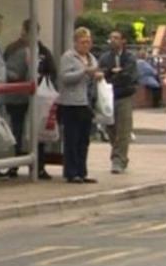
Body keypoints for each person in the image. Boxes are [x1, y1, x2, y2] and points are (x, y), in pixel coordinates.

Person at [3, 20, 56, 180]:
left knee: (38, 132)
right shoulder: (13, 49)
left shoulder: (43, 51)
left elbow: (52, 72)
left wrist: (44, 84)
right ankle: (14, 166)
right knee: (16, 132)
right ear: (23, 31)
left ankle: (39, 167)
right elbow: (5, 70)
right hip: (17, 98)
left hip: (37, 99)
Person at [58, 27, 103, 184]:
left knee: (84, 139)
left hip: (87, 102)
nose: (86, 45)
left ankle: (82, 171)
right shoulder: (69, 57)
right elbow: (64, 77)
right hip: (71, 103)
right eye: (83, 42)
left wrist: (96, 76)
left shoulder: (91, 58)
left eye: (88, 41)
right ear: (76, 42)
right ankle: (71, 172)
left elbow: (94, 73)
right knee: (72, 138)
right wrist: (84, 72)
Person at [98, 31, 138, 174]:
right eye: (111, 38)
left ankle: (118, 160)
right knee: (110, 129)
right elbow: (102, 74)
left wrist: (113, 75)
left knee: (123, 130)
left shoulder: (129, 58)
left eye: (116, 38)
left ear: (123, 41)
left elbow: (128, 76)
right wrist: (112, 72)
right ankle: (120, 156)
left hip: (124, 96)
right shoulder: (105, 58)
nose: (113, 40)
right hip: (108, 97)